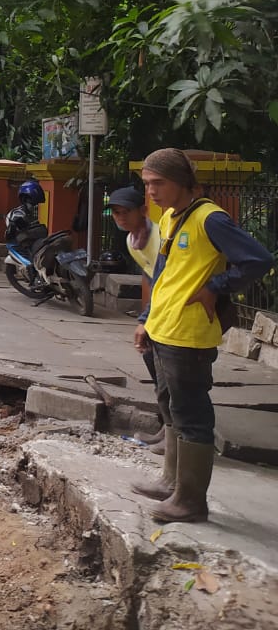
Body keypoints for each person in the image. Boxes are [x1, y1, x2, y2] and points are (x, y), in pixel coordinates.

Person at [132, 149, 273, 524]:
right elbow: (163, 274)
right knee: (171, 405)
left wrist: (215, 286)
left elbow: (258, 259)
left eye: (158, 183)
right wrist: (146, 319)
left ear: (182, 182)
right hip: (163, 327)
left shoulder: (210, 219)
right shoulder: (171, 216)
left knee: (192, 413)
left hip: (189, 334)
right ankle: (171, 481)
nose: (152, 192)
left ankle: (191, 501)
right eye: (147, 184)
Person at [108, 185, 164, 450]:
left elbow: (165, 281)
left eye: (125, 212)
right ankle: (167, 430)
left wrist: (145, 319)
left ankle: (178, 438)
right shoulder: (132, 242)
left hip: (178, 311)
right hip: (160, 309)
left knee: (173, 377)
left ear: (143, 211)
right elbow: (152, 279)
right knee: (154, 365)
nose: (120, 218)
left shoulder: (161, 237)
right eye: (116, 213)